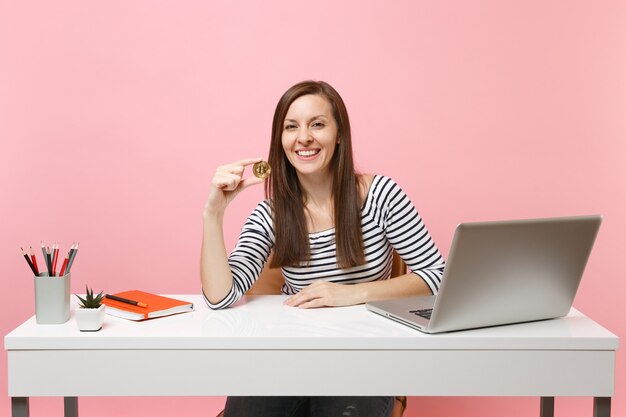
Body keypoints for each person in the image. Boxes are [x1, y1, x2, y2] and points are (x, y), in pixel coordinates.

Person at [201, 80, 446, 417]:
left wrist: (350, 294)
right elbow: (221, 296)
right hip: (287, 358)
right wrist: (213, 213)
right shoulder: (271, 214)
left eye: (317, 124)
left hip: (364, 359)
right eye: (291, 127)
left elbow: (438, 277)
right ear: (281, 140)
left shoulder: (380, 195)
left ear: (339, 134)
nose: (304, 137)